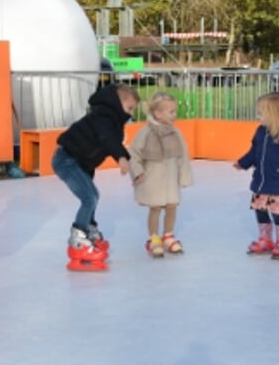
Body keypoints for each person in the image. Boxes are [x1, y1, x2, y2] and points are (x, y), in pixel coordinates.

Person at [53, 83, 140, 272]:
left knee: (92, 195)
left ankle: (89, 231)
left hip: (79, 162)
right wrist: (121, 157)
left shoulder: (111, 120)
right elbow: (106, 138)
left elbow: (101, 145)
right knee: (89, 197)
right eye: (129, 108)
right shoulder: (104, 116)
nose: (131, 114)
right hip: (67, 160)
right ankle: (78, 239)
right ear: (118, 103)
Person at [235, 92, 279, 260]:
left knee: (278, 213)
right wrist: (243, 163)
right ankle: (265, 239)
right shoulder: (261, 131)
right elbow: (254, 151)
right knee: (260, 210)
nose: (258, 117)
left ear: (274, 115)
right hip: (261, 179)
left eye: (261, 113)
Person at [127, 92, 193, 257]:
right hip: (152, 178)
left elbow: (183, 155)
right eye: (170, 112)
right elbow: (134, 154)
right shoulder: (145, 132)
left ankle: (168, 235)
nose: (174, 115)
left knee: (172, 206)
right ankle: (154, 238)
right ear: (157, 114)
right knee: (155, 207)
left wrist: (184, 176)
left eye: (174, 111)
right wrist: (138, 172)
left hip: (171, 177)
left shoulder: (175, 133)